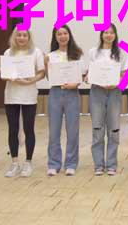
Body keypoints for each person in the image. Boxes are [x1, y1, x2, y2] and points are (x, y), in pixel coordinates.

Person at [83, 24, 128, 176]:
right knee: (97, 129)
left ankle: (111, 164)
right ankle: (98, 165)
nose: (109, 35)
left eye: (111, 32)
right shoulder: (93, 52)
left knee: (114, 130)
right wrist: (88, 78)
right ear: (101, 35)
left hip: (114, 92)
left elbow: (125, 75)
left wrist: (117, 84)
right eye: (106, 32)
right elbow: (87, 74)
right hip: (97, 91)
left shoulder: (120, 52)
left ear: (115, 35)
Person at [1, 28, 45, 178]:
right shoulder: (8, 53)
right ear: (14, 37)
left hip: (29, 95)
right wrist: (12, 78)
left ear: (29, 37)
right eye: (18, 35)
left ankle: (28, 162)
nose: (21, 38)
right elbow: (4, 75)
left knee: (28, 128)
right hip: (11, 96)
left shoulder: (36, 52)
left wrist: (30, 81)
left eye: (24, 35)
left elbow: (41, 72)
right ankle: (14, 163)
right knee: (12, 129)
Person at [45, 25, 84, 176]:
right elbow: (49, 77)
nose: (62, 36)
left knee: (72, 131)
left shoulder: (77, 54)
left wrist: (75, 84)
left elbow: (81, 76)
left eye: (65, 33)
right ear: (55, 37)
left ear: (69, 35)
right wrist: (46, 64)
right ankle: (53, 164)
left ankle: (71, 163)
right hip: (55, 93)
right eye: (59, 34)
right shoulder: (50, 56)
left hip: (72, 93)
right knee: (54, 131)